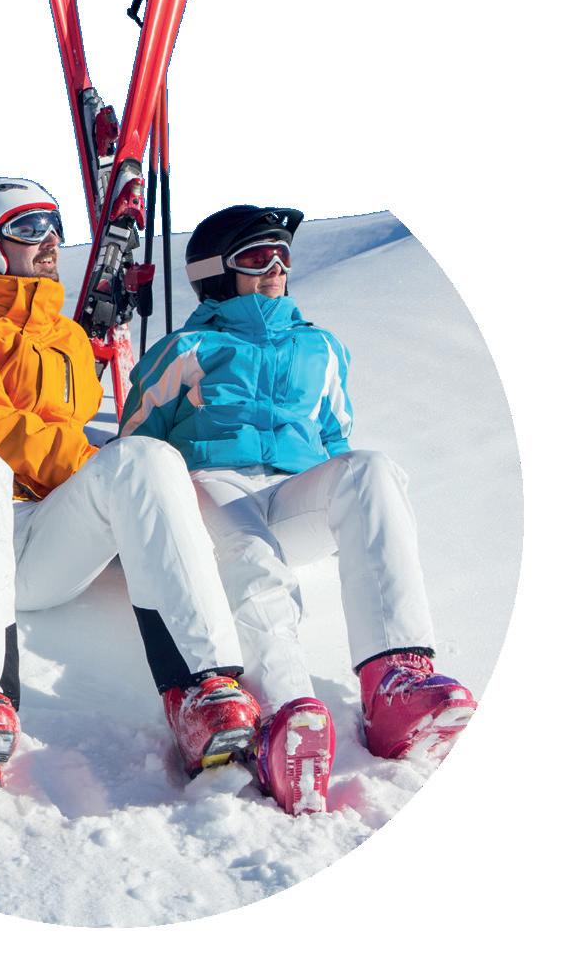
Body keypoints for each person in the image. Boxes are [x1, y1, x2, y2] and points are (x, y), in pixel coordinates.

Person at [0, 177, 260, 793]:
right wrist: (90, 466)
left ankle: (203, 691)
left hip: (42, 541)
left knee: (144, 457)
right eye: (28, 228)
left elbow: (83, 449)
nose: (50, 241)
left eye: (53, 226)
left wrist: (119, 486)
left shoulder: (68, 340)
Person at [119, 205, 477, 816]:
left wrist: (342, 497)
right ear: (215, 272)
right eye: (257, 257)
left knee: (370, 470)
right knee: (251, 555)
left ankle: (397, 683)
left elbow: (335, 436)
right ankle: (285, 715)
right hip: (212, 482)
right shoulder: (187, 348)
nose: (276, 267)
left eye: (283, 255)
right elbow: (137, 445)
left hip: (293, 491)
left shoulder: (322, 347)